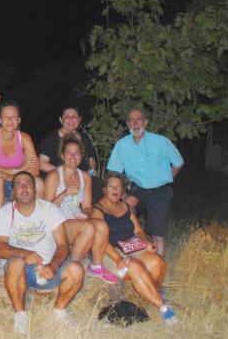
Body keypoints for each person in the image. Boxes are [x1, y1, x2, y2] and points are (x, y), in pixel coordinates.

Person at [0, 171, 85, 333]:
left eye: (28, 184)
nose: (24, 188)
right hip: (22, 270)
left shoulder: (49, 209)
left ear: (35, 190)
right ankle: (20, 314)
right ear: (13, 192)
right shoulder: (5, 213)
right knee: (15, 263)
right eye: (19, 184)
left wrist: (53, 266)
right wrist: (24, 254)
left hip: (49, 268)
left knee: (76, 270)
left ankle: (59, 311)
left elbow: (63, 245)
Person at [90, 172, 178, 324]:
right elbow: (101, 241)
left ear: (122, 190)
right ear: (104, 189)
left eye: (118, 187)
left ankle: (148, 295)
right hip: (110, 251)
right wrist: (118, 259)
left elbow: (138, 231)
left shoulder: (126, 206)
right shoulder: (97, 211)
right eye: (111, 186)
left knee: (157, 262)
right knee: (136, 267)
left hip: (131, 245)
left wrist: (146, 242)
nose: (115, 190)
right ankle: (163, 307)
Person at [106, 108, 184, 256]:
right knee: (124, 227)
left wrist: (166, 178)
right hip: (135, 191)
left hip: (159, 191)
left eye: (139, 119)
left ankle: (158, 264)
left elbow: (178, 163)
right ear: (127, 124)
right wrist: (125, 196)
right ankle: (129, 261)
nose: (135, 123)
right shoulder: (122, 145)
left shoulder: (161, 142)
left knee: (158, 234)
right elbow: (113, 174)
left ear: (145, 122)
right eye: (131, 120)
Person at [43, 134, 120, 284]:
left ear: (81, 156)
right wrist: (63, 194)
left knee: (101, 225)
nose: (73, 156)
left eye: (76, 153)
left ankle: (96, 266)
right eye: (69, 153)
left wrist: (84, 215)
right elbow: (46, 210)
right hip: (56, 222)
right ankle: (71, 267)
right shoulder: (54, 175)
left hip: (75, 218)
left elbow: (86, 206)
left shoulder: (85, 177)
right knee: (88, 228)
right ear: (62, 155)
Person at [0, 101, 43, 222]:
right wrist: (19, 170)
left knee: (38, 182)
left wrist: (12, 177)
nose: (10, 120)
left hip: (16, 180)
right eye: (6, 117)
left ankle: (33, 223)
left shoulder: (25, 138)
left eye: (14, 117)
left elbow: (35, 170)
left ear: (19, 120)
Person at [37, 106, 97, 175]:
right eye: (67, 116)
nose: (71, 119)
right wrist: (66, 173)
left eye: (74, 116)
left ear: (79, 120)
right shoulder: (50, 139)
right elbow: (42, 164)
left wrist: (90, 172)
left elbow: (91, 162)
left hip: (82, 177)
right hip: (57, 177)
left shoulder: (85, 138)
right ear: (61, 120)